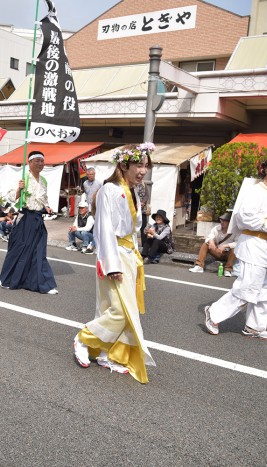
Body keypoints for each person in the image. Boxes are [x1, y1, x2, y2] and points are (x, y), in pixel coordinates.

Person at [73, 143, 156, 381]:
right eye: (138, 165)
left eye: (146, 166)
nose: (143, 171)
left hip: (129, 254)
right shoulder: (110, 189)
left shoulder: (133, 192)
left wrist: (136, 256)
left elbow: (133, 231)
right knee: (120, 311)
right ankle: (84, 338)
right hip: (115, 254)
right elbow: (104, 229)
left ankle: (105, 353)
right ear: (123, 165)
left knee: (111, 307)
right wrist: (111, 264)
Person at [204, 155, 267, 341]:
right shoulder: (255, 191)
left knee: (266, 288)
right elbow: (244, 217)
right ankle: (214, 313)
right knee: (248, 287)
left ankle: (255, 327)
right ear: (265, 169)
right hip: (253, 244)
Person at [0, 151, 58, 294]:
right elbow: (11, 197)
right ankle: (6, 278)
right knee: (18, 249)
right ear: (29, 162)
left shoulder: (43, 181)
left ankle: (44, 284)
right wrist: (19, 188)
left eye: (42, 161)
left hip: (37, 219)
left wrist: (47, 207)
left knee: (38, 251)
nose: (40, 163)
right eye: (37, 160)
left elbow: (44, 199)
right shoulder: (23, 177)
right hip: (24, 219)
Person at [188, 212, 237, 276]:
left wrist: (226, 246)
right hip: (217, 251)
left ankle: (228, 270)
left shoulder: (235, 231)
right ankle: (199, 266)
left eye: (225, 221)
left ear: (230, 223)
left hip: (228, 254)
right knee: (206, 244)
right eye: (221, 220)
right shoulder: (216, 228)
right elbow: (209, 236)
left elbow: (238, 243)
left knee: (234, 249)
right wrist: (211, 241)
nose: (222, 222)